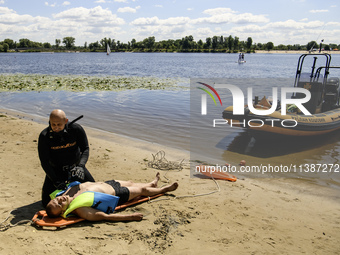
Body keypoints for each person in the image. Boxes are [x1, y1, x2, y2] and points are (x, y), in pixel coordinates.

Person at [46, 173, 178, 222]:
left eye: (55, 200)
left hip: (108, 183)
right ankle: (164, 189)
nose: (59, 200)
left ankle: (152, 184)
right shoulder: (80, 210)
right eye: (59, 205)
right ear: (63, 211)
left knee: (132, 182)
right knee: (141, 191)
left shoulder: (63, 193)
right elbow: (104, 216)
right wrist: (130, 217)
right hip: (117, 194)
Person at [38, 109, 95, 207]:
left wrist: (81, 166)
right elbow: (44, 161)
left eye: (59, 124)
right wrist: (55, 180)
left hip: (76, 168)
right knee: (46, 203)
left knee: (94, 193)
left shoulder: (76, 129)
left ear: (66, 121)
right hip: (56, 170)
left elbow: (85, 149)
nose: (56, 128)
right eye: (53, 124)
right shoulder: (44, 136)